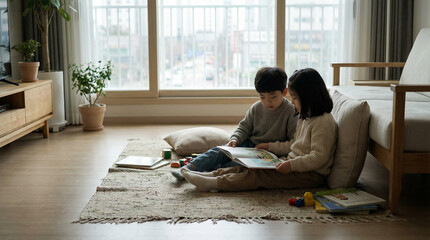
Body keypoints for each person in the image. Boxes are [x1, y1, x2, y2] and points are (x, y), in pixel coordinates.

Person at [181, 68, 337, 192]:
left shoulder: (323, 122)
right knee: (244, 167)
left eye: (295, 98)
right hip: (292, 163)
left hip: (310, 175)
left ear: (309, 97)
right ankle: (208, 174)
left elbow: (318, 158)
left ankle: (216, 183)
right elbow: (295, 144)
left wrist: (291, 165)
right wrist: (272, 147)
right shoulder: (306, 117)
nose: (293, 102)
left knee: (257, 177)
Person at [171, 66, 298, 181]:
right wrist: (235, 139)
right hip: (248, 145)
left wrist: (271, 146)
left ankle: (210, 171)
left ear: (284, 92)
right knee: (219, 151)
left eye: (273, 96)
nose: (267, 102)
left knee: (240, 166)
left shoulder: (291, 111)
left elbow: (293, 143)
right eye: (262, 97)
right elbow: (244, 127)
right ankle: (188, 168)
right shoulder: (256, 107)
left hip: (271, 153)